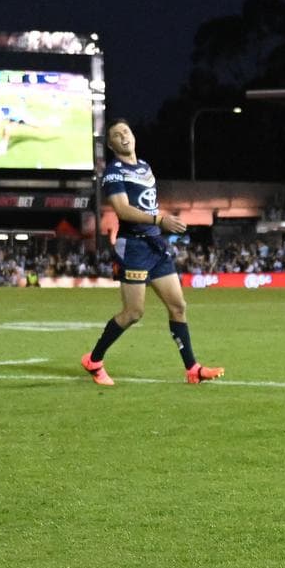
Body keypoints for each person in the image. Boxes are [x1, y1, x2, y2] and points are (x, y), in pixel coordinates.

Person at [80, 118, 224, 386]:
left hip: (155, 246)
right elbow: (122, 210)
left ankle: (192, 369)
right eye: (117, 134)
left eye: (127, 131)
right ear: (111, 144)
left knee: (178, 306)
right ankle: (94, 360)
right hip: (133, 247)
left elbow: (146, 204)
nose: (124, 136)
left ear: (133, 135)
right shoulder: (114, 172)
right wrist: (160, 220)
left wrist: (161, 223)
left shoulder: (145, 167)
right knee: (133, 313)